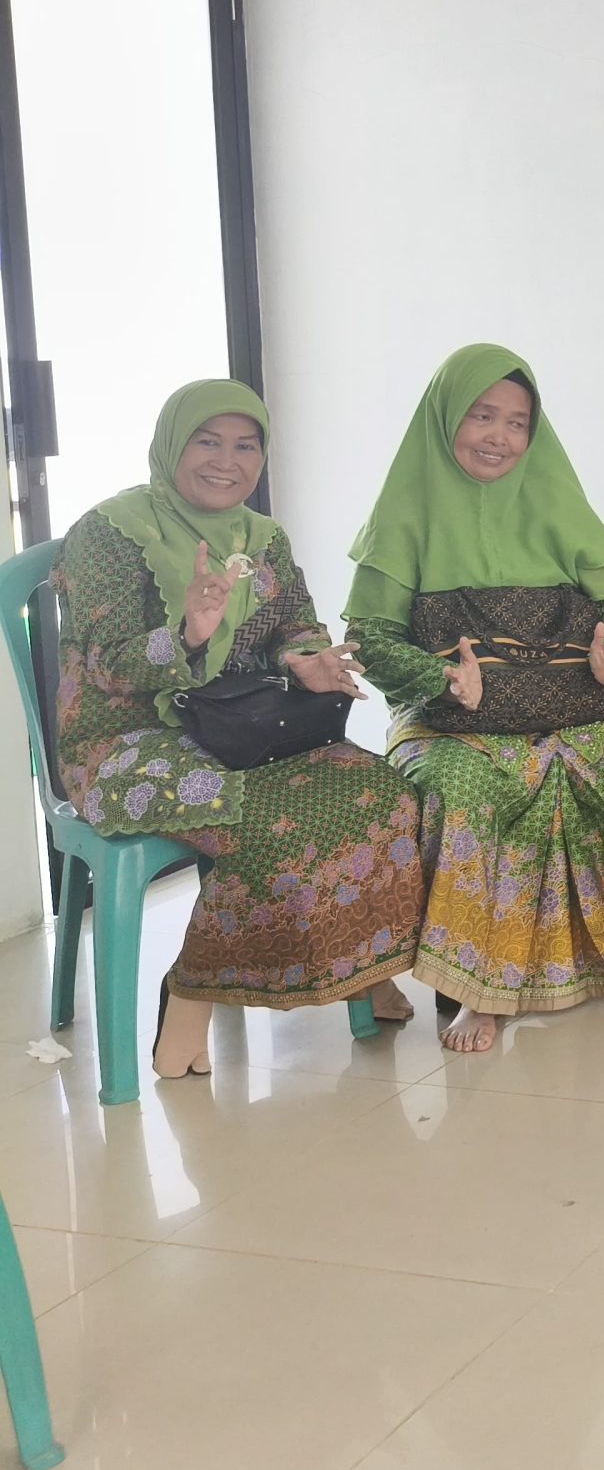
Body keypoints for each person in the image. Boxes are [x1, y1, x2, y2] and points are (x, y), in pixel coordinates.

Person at [51, 381, 424, 1078]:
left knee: (385, 792)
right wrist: (188, 634)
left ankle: (363, 964)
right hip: (122, 740)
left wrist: (305, 659)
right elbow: (104, 664)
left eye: (246, 446)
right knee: (271, 818)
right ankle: (193, 993)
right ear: (172, 444)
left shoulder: (262, 538)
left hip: (239, 723)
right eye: (208, 441)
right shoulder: (108, 533)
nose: (227, 461)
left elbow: (296, 624)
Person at [344, 345, 604, 1052]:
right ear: (445, 418)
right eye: (482, 416)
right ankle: (480, 990)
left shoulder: (557, 498)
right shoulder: (403, 513)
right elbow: (369, 637)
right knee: (465, 788)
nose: (499, 436)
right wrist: (437, 678)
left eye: (517, 422)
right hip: (455, 720)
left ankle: (601, 958)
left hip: (577, 704)